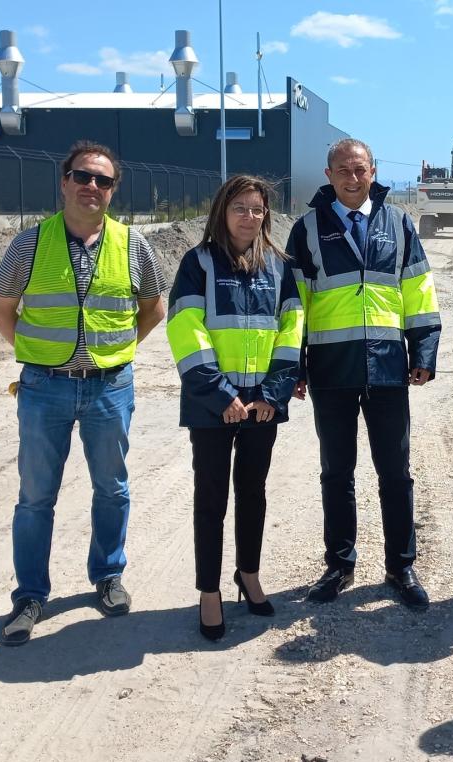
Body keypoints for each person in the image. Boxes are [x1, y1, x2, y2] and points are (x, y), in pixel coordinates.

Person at [0, 140, 166, 646]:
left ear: (114, 190)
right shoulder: (28, 243)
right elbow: (1, 308)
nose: (92, 186)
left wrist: (120, 351)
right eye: (83, 176)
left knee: (112, 489)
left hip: (110, 387)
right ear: (64, 180)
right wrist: (37, 354)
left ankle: (107, 577)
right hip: (45, 389)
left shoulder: (133, 245)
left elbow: (154, 307)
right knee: (35, 496)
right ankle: (30, 595)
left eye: (103, 180)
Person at [286, 138, 441, 611]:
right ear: (329, 175)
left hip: (389, 368)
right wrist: (293, 364)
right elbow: (293, 305)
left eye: (360, 169)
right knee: (337, 472)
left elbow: (418, 289)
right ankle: (339, 564)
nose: (353, 178)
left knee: (395, 472)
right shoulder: (307, 229)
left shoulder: (398, 223)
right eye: (342, 170)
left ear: (373, 172)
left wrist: (425, 350)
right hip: (331, 369)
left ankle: (401, 565)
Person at [166, 175, 303, 640]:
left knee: (253, 492)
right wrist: (221, 395)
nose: (250, 217)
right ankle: (209, 591)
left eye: (258, 209)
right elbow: (187, 329)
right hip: (214, 406)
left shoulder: (280, 266)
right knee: (211, 499)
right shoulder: (198, 263)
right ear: (222, 211)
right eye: (240, 208)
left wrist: (273, 393)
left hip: (262, 405)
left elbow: (291, 331)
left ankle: (248, 574)